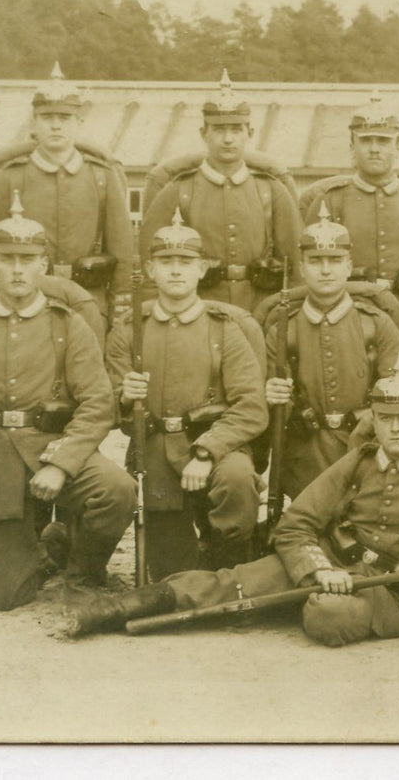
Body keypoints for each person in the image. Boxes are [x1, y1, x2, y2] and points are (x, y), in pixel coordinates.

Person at [64, 366, 399, 650]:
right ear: (374, 419)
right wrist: (321, 566)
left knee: (329, 620)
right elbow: (296, 527)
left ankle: (295, 602)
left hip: (395, 595)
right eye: (385, 418)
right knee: (225, 583)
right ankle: (102, 615)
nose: (395, 429)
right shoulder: (356, 463)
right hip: (330, 565)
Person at [0, 194, 133, 609]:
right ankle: (43, 550)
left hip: (51, 446)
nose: (17, 268)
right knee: (7, 596)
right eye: (8, 258)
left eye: (27, 259)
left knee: (117, 489)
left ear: (43, 266)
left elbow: (98, 404)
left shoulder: (67, 323)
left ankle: (83, 573)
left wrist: (62, 463)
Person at [106, 210, 267, 578]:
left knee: (238, 482)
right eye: (165, 262)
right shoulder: (130, 330)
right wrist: (125, 398)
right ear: (149, 270)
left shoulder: (225, 328)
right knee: (170, 576)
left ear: (202, 269)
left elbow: (252, 407)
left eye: (185, 262)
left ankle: (230, 568)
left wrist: (207, 452)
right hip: (156, 451)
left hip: (217, 450)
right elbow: (109, 407)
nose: (175, 270)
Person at [262, 206, 399, 504]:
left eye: (335, 261)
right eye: (315, 261)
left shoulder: (376, 323)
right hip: (304, 456)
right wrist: (271, 393)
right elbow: (265, 405)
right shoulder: (283, 331)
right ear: (302, 267)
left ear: (349, 266)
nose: (325, 270)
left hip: (367, 449)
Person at [0, 63, 134, 321]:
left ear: (79, 123)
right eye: (47, 118)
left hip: (87, 301)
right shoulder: (11, 175)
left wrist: (121, 307)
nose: (56, 126)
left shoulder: (101, 176)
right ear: (34, 122)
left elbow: (123, 248)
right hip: (22, 304)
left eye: (64, 118)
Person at [139, 70, 302, 312]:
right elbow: (149, 263)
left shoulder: (271, 190)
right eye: (219, 129)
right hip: (195, 308)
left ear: (250, 133)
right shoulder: (177, 190)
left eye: (236, 129)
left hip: (259, 307)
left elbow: (296, 263)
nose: (228, 139)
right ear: (203, 133)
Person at [297, 94, 399, 327]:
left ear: (398, 147)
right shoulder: (330, 200)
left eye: (383, 141)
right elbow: (309, 271)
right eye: (366, 141)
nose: (374, 149)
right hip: (346, 313)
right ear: (352, 147)